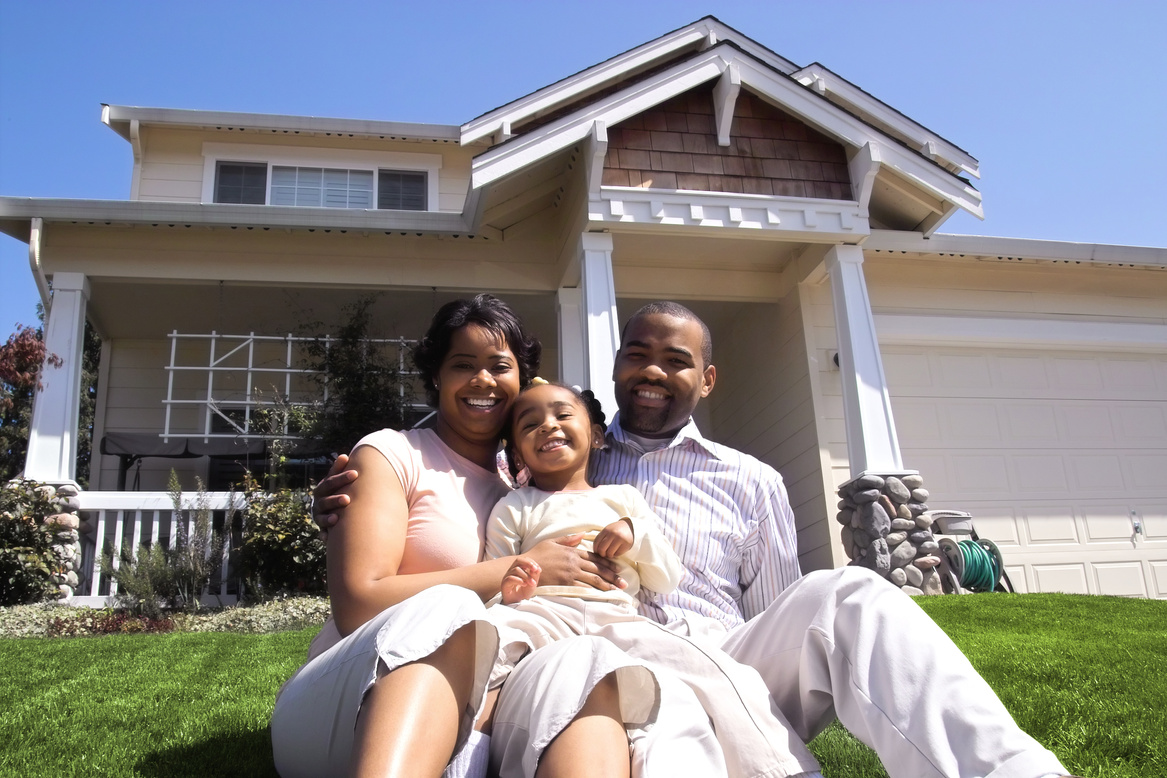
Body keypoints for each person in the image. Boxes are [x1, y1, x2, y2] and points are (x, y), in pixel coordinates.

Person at [318, 299, 1078, 778]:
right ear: (611, 372)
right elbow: (467, 511)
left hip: (726, 657)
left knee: (846, 594)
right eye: (636, 356)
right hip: (587, 660)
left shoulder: (751, 479)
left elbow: (779, 611)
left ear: (706, 380)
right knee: (623, 696)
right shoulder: (562, 454)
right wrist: (349, 505)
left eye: (675, 361)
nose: (652, 371)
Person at [272, 295, 665, 778]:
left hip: (468, 707)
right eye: (463, 365)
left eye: (500, 366)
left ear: (521, 380)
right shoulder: (391, 454)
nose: (482, 380)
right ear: (437, 375)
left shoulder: (518, 498)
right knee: (449, 612)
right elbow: (358, 604)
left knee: (586, 665)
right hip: (349, 705)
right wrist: (521, 568)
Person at [481, 380, 818, 778]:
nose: (548, 426)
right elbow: (497, 576)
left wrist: (633, 535)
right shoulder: (515, 506)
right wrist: (511, 589)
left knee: (717, 672)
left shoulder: (623, 500)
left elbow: (665, 577)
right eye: (529, 424)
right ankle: (460, 750)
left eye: (563, 415)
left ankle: (780, 768)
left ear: (596, 437)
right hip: (543, 613)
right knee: (480, 649)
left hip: (617, 619)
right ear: (516, 452)